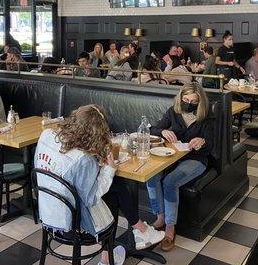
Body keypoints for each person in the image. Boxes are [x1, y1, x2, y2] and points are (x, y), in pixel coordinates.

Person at [34, 105, 165, 265]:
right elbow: (91, 199)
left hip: (47, 212)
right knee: (112, 195)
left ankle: (137, 232)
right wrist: (108, 169)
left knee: (115, 186)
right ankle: (123, 245)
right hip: (72, 226)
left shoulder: (46, 135)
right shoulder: (84, 159)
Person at [147, 83, 215, 251]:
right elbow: (153, 129)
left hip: (197, 159)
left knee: (170, 182)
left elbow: (212, 145)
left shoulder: (206, 117)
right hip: (173, 157)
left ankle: (170, 227)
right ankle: (160, 217)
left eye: (193, 101)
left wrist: (202, 141)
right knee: (151, 175)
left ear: (199, 102)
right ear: (180, 98)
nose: (188, 103)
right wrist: (162, 132)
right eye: (185, 99)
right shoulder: (173, 112)